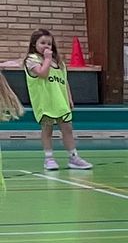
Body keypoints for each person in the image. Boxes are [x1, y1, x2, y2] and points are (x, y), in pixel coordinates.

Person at [25, 30, 90, 173]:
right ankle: (49, 158)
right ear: (34, 44)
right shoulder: (32, 60)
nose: (46, 46)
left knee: (67, 129)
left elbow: (64, 82)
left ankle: (74, 157)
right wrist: (47, 59)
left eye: (49, 43)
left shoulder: (59, 63)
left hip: (60, 101)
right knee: (47, 129)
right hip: (45, 102)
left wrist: (69, 98)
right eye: (42, 43)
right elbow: (43, 73)